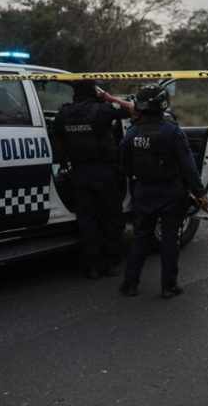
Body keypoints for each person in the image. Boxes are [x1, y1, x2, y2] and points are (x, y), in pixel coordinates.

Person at [118, 84, 208, 298]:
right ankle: (169, 286)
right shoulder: (171, 130)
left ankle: (130, 284)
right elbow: (188, 165)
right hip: (171, 193)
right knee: (170, 241)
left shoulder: (131, 133)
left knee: (140, 239)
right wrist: (200, 192)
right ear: (163, 104)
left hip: (144, 192)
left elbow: (124, 167)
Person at [53, 79, 135, 279]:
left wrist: (65, 164)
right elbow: (133, 110)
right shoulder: (103, 109)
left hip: (80, 174)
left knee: (87, 220)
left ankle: (93, 265)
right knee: (112, 218)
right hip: (106, 173)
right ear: (94, 90)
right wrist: (108, 97)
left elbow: (56, 140)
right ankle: (113, 262)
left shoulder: (64, 113)